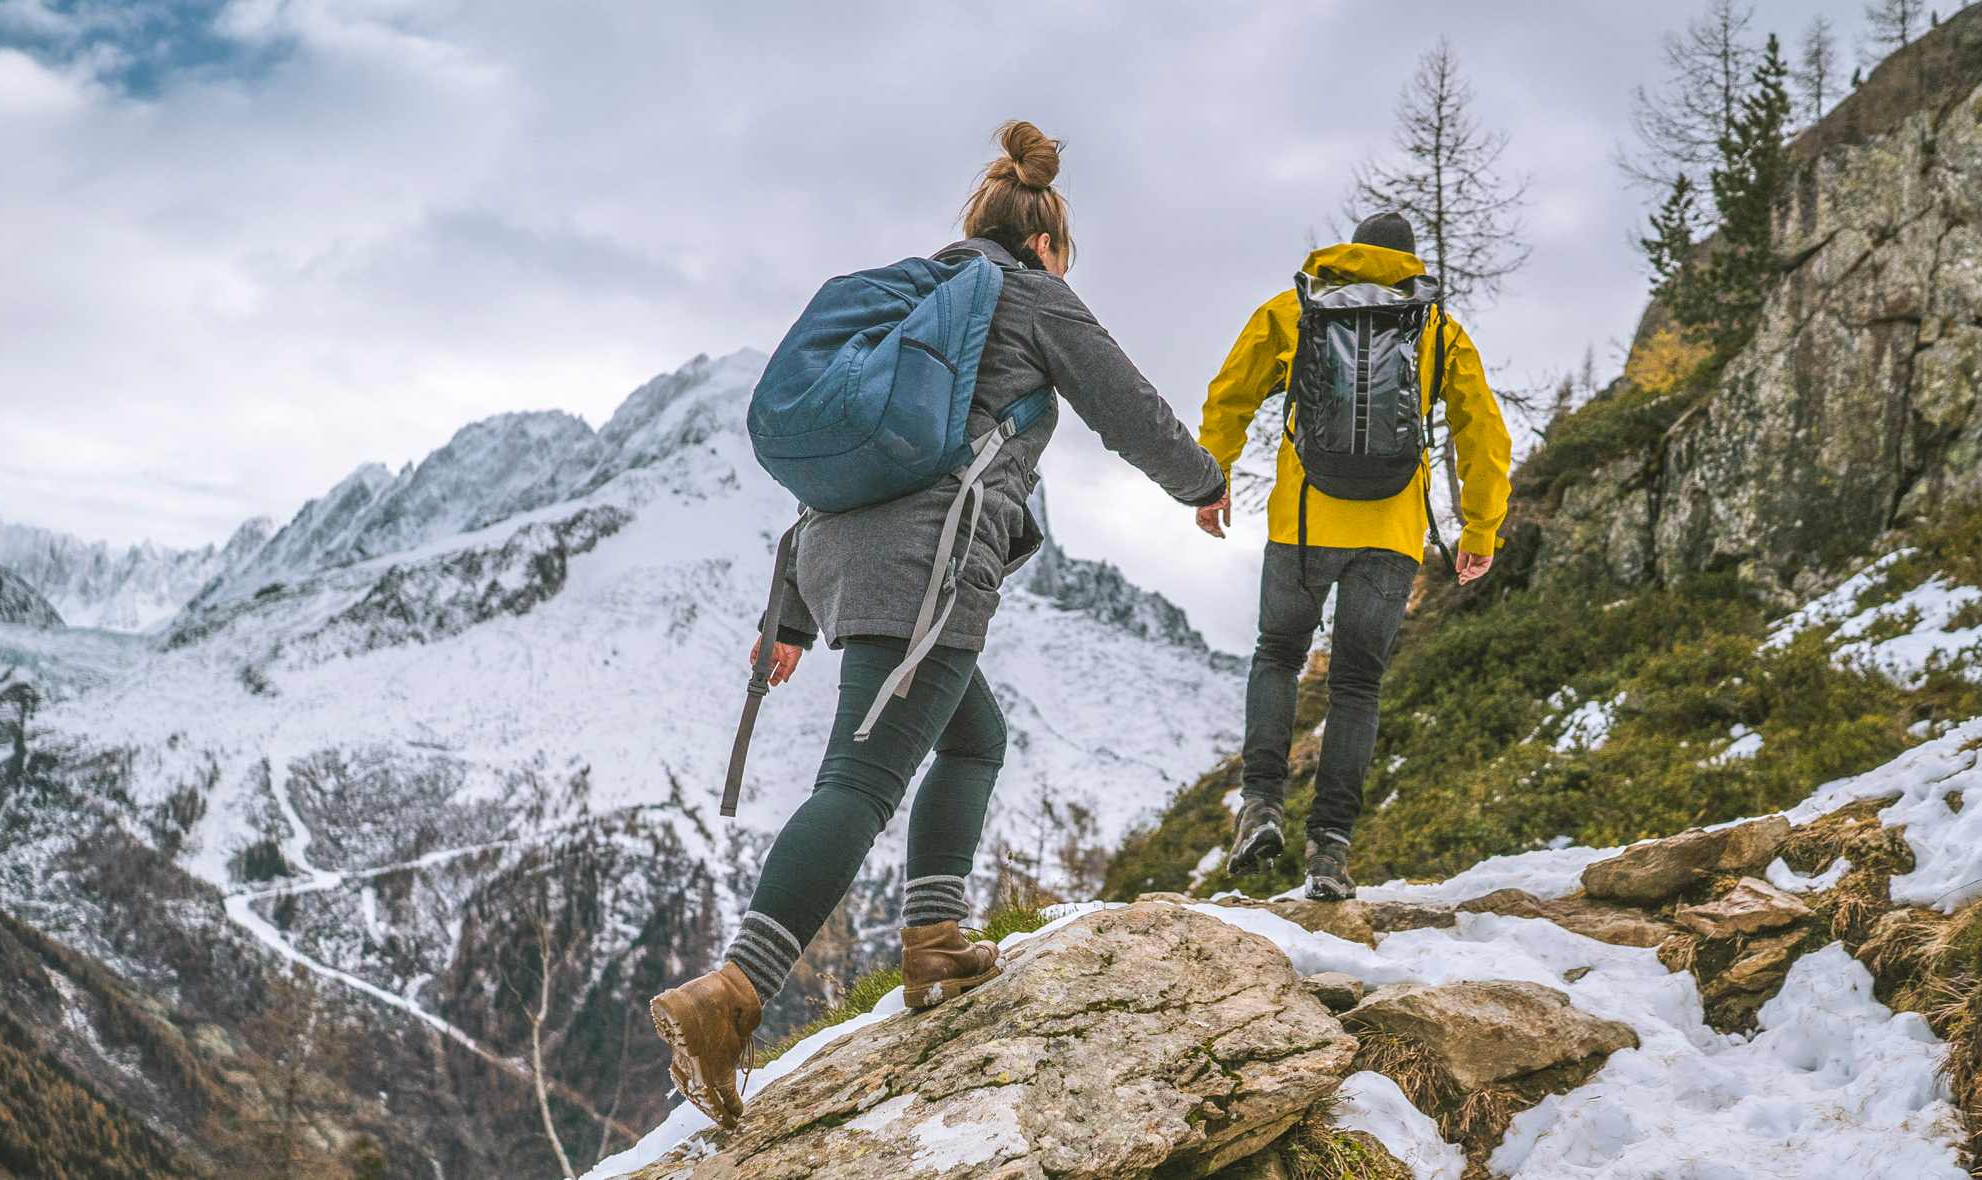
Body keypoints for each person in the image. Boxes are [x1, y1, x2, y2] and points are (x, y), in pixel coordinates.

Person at [647, 121, 1226, 1127]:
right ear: (1045, 243)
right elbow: (1126, 406)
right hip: (929, 561)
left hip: (838, 556)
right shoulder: (1030, 293)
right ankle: (730, 997)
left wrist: (788, 610)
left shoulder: (909, 297)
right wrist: (1204, 482)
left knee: (974, 735)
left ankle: (932, 943)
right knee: (861, 778)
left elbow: (848, 460)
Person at [1193, 211, 1512, 901]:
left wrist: (1212, 479)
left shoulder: (1295, 309)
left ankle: (1261, 807)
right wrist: (1479, 529)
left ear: (1351, 252)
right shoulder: (1436, 327)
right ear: (1407, 263)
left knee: (1278, 656)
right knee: (1357, 685)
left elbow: (1232, 395)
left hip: (1304, 523)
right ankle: (1330, 851)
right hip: (1392, 532)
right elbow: (1480, 430)